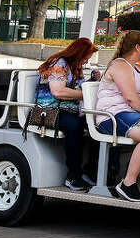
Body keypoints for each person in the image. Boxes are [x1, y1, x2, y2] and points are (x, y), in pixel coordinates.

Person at [96, 31, 140, 201]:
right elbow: (131, 98)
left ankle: (131, 174)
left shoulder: (134, 66)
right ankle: (128, 183)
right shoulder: (120, 66)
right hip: (113, 115)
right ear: (137, 47)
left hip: (130, 114)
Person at [37, 37, 100, 191]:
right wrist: (85, 94)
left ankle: (90, 171)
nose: (86, 61)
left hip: (66, 108)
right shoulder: (58, 64)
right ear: (78, 54)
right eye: (86, 57)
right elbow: (58, 91)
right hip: (48, 110)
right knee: (74, 126)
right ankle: (73, 175)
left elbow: (80, 87)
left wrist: (92, 81)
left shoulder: (74, 67)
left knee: (99, 123)